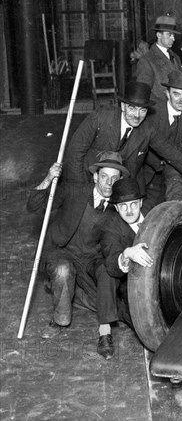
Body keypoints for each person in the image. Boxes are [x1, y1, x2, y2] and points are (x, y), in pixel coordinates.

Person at [26, 152, 129, 354]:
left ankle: (105, 332)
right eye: (104, 176)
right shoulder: (74, 190)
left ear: (120, 181)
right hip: (63, 251)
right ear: (95, 176)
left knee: (108, 278)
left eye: (114, 178)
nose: (109, 183)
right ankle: (60, 319)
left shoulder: (119, 206)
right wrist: (48, 179)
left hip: (92, 259)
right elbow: (34, 206)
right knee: (63, 271)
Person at [64, 82, 182, 194]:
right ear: (123, 106)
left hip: (122, 187)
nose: (137, 116)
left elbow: (169, 151)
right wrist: (79, 188)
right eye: (132, 108)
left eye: (142, 110)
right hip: (86, 180)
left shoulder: (147, 129)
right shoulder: (99, 118)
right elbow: (75, 152)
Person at [96, 177, 154, 357]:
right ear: (116, 207)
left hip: (159, 275)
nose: (129, 211)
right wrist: (127, 253)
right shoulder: (110, 227)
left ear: (141, 202)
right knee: (141, 321)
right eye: (123, 206)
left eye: (133, 204)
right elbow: (112, 265)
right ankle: (104, 332)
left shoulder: (155, 213)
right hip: (128, 283)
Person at [143, 69, 182, 204]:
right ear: (167, 93)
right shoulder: (152, 113)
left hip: (179, 170)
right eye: (176, 94)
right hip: (150, 174)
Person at [135, 14, 182, 104]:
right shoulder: (147, 60)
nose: (173, 38)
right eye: (169, 35)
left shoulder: (176, 58)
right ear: (158, 35)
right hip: (159, 110)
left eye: (174, 35)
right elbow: (143, 92)